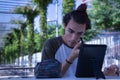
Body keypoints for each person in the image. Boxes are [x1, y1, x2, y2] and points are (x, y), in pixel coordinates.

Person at [41, 2, 119, 78]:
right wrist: (71, 57)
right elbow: (48, 76)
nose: (73, 38)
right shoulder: (51, 44)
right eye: (70, 31)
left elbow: (86, 76)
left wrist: (104, 74)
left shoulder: (85, 49)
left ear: (84, 32)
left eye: (79, 33)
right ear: (65, 26)